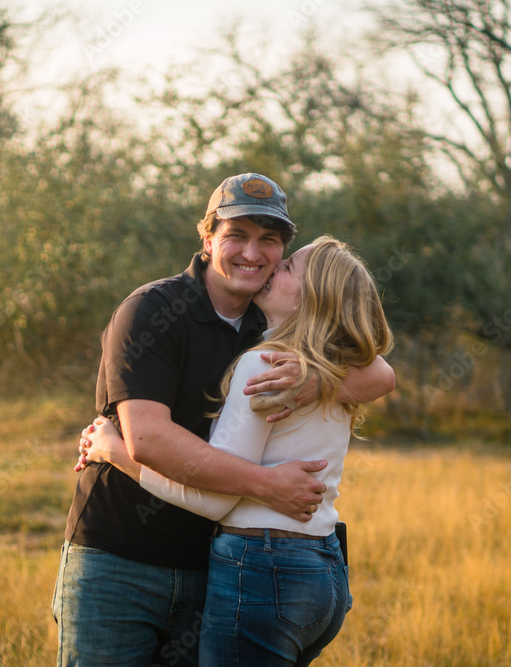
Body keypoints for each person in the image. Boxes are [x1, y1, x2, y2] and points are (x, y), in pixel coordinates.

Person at [52, 174, 396, 666]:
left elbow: (382, 374)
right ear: (209, 237)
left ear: (282, 255)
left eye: (269, 240)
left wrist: (317, 381)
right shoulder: (153, 310)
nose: (252, 253)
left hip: (215, 568)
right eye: (237, 235)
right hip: (120, 561)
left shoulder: (276, 323)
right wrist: (265, 484)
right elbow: (148, 438)